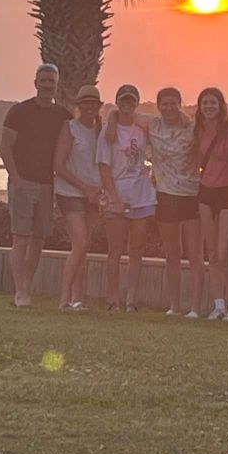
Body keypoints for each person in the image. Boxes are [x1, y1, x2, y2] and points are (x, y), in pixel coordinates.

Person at [110, 87, 204, 317]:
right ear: (159, 106)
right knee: (172, 254)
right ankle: (174, 306)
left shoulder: (192, 127)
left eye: (173, 103)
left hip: (192, 194)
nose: (169, 108)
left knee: (195, 254)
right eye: (165, 104)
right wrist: (111, 122)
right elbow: (122, 111)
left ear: (180, 104)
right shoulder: (153, 125)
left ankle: (196, 307)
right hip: (166, 194)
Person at [0, 64, 71, 308]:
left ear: (57, 85)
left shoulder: (62, 115)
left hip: (47, 185)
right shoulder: (19, 111)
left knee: (39, 239)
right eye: (44, 81)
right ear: (36, 83)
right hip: (23, 183)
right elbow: (5, 147)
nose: (47, 85)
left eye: (51, 81)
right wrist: (16, 179)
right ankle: (20, 292)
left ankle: (26, 287)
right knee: (21, 238)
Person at [96, 84, 156, 312]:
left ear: (137, 102)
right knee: (115, 250)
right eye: (123, 100)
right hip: (117, 196)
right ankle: (113, 299)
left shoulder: (142, 128)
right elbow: (103, 168)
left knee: (136, 250)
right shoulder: (108, 132)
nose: (127, 104)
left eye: (132, 100)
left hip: (142, 196)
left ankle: (131, 299)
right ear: (118, 101)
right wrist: (114, 198)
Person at [193, 87, 228, 322]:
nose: (209, 107)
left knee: (225, 254)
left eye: (213, 102)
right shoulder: (199, 130)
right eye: (205, 103)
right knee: (212, 253)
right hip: (206, 191)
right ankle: (219, 306)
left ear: (221, 105)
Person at [53, 85, 104, 311]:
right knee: (81, 242)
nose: (90, 107)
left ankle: (77, 299)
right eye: (85, 103)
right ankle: (64, 299)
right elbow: (58, 165)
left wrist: (98, 190)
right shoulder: (70, 128)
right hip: (70, 192)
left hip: (93, 196)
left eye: (94, 103)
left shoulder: (101, 131)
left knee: (83, 247)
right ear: (79, 105)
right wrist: (84, 187)